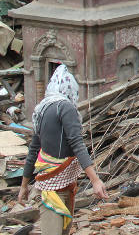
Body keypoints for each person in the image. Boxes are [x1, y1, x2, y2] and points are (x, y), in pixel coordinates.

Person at [19, 65, 109, 235]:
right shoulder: (65, 107)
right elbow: (77, 143)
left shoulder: (41, 110)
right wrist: (95, 180)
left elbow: (33, 150)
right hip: (56, 189)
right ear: (71, 89)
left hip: (52, 185)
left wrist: (24, 186)